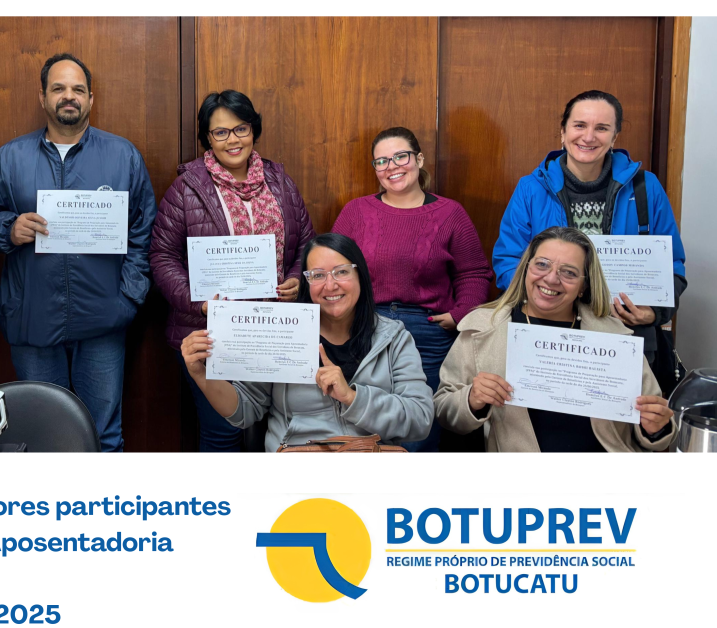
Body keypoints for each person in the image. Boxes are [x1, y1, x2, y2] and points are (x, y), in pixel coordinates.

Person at [0, 53, 156, 452]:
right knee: (45, 437)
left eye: (78, 89)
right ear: (43, 97)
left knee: (104, 435)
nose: (69, 96)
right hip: (32, 317)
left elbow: (143, 231)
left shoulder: (123, 156)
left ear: (91, 98)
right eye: (58, 88)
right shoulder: (10, 157)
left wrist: (128, 296)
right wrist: (8, 228)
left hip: (104, 318)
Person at [150, 90, 315, 451]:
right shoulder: (186, 188)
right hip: (210, 334)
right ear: (207, 138)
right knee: (222, 432)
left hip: (275, 331)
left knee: (281, 427)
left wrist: (295, 280)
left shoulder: (281, 183)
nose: (232, 140)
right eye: (220, 132)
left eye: (240, 128)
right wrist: (198, 303)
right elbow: (162, 257)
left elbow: (307, 244)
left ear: (253, 130)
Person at [180, 233, 433, 452]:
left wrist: (351, 397)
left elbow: (420, 420)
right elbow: (244, 411)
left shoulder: (393, 337)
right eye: (318, 275)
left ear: (360, 275)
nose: (330, 285)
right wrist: (200, 373)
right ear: (307, 282)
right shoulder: (281, 331)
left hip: (371, 461)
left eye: (342, 272)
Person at [435, 226, 676, 452]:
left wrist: (656, 427)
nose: (551, 279)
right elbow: (444, 410)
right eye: (542, 264)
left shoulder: (615, 336)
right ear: (526, 268)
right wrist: (473, 399)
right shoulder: (482, 328)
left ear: (583, 286)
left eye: (569, 272)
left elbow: (656, 425)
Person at [493, 90, 687, 368]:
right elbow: (508, 260)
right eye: (580, 125)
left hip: (627, 333)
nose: (588, 137)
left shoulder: (646, 187)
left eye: (602, 128)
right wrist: (545, 300)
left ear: (614, 137)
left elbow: (673, 264)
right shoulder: (531, 188)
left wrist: (655, 312)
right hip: (548, 330)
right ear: (563, 132)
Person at [331, 126, 491, 452]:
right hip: (365, 327)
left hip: (427, 332)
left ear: (418, 159)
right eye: (381, 161)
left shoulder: (450, 213)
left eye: (400, 157)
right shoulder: (356, 212)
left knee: (419, 432)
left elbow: (474, 273)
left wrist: (459, 315)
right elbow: (332, 267)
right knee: (363, 423)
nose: (391, 167)